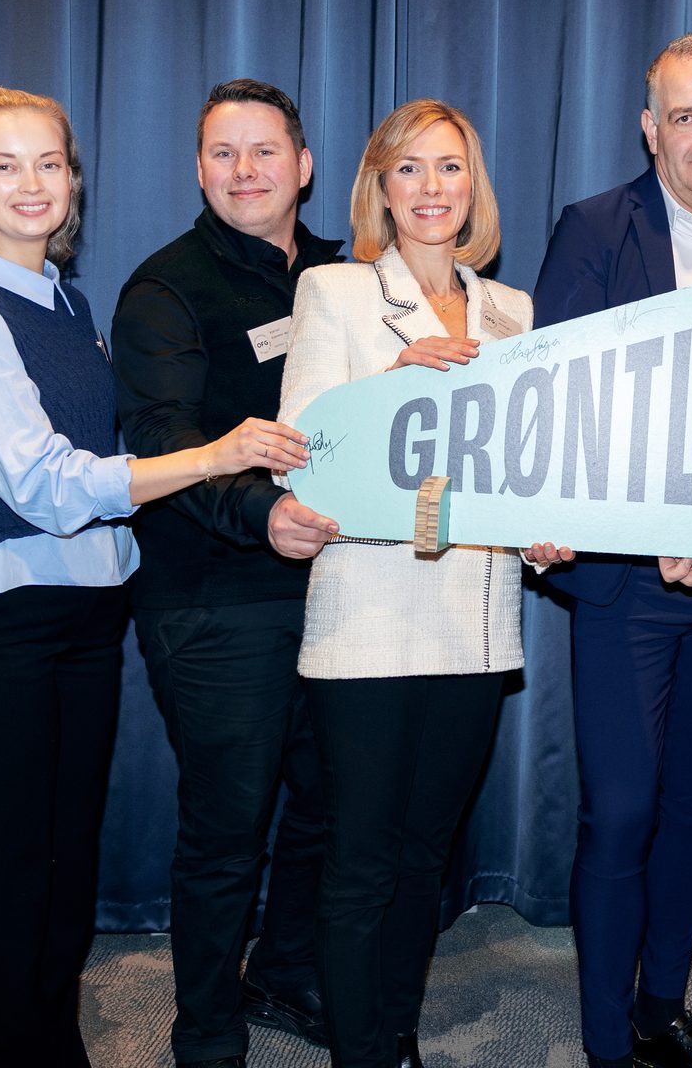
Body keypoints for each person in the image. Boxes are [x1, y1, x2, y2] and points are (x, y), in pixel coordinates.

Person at [0, 87, 310, 1067]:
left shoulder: (70, 303)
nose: (33, 184)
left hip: (83, 621)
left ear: (73, 178)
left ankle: (48, 1046)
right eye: (5, 165)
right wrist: (213, 458)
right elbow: (47, 485)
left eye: (49, 162)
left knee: (59, 872)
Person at [278, 99, 573, 1068]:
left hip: (476, 630)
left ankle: (393, 1035)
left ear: (472, 186)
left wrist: (542, 534)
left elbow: (520, 470)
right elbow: (304, 454)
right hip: (365, 618)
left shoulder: (513, 311)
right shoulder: (334, 292)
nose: (431, 189)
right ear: (379, 187)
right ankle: (360, 1050)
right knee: (360, 861)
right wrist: (399, 378)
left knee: (422, 856)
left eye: (449, 168)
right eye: (409, 170)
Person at [532, 34, 692, 1068]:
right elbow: (557, 402)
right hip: (624, 586)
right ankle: (606, 1043)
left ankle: (659, 1007)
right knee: (625, 808)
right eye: (681, 117)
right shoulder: (595, 229)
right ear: (650, 129)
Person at [110, 79, 343, 1068]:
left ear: (304, 165)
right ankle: (204, 1029)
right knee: (228, 825)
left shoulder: (348, 274)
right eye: (221, 153)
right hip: (214, 597)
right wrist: (263, 516)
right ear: (198, 169)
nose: (243, 171)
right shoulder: (165, 289)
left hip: (341, 589)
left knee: (332, 803)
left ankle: (284, 976)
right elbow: (164, 442)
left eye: (262, 151)